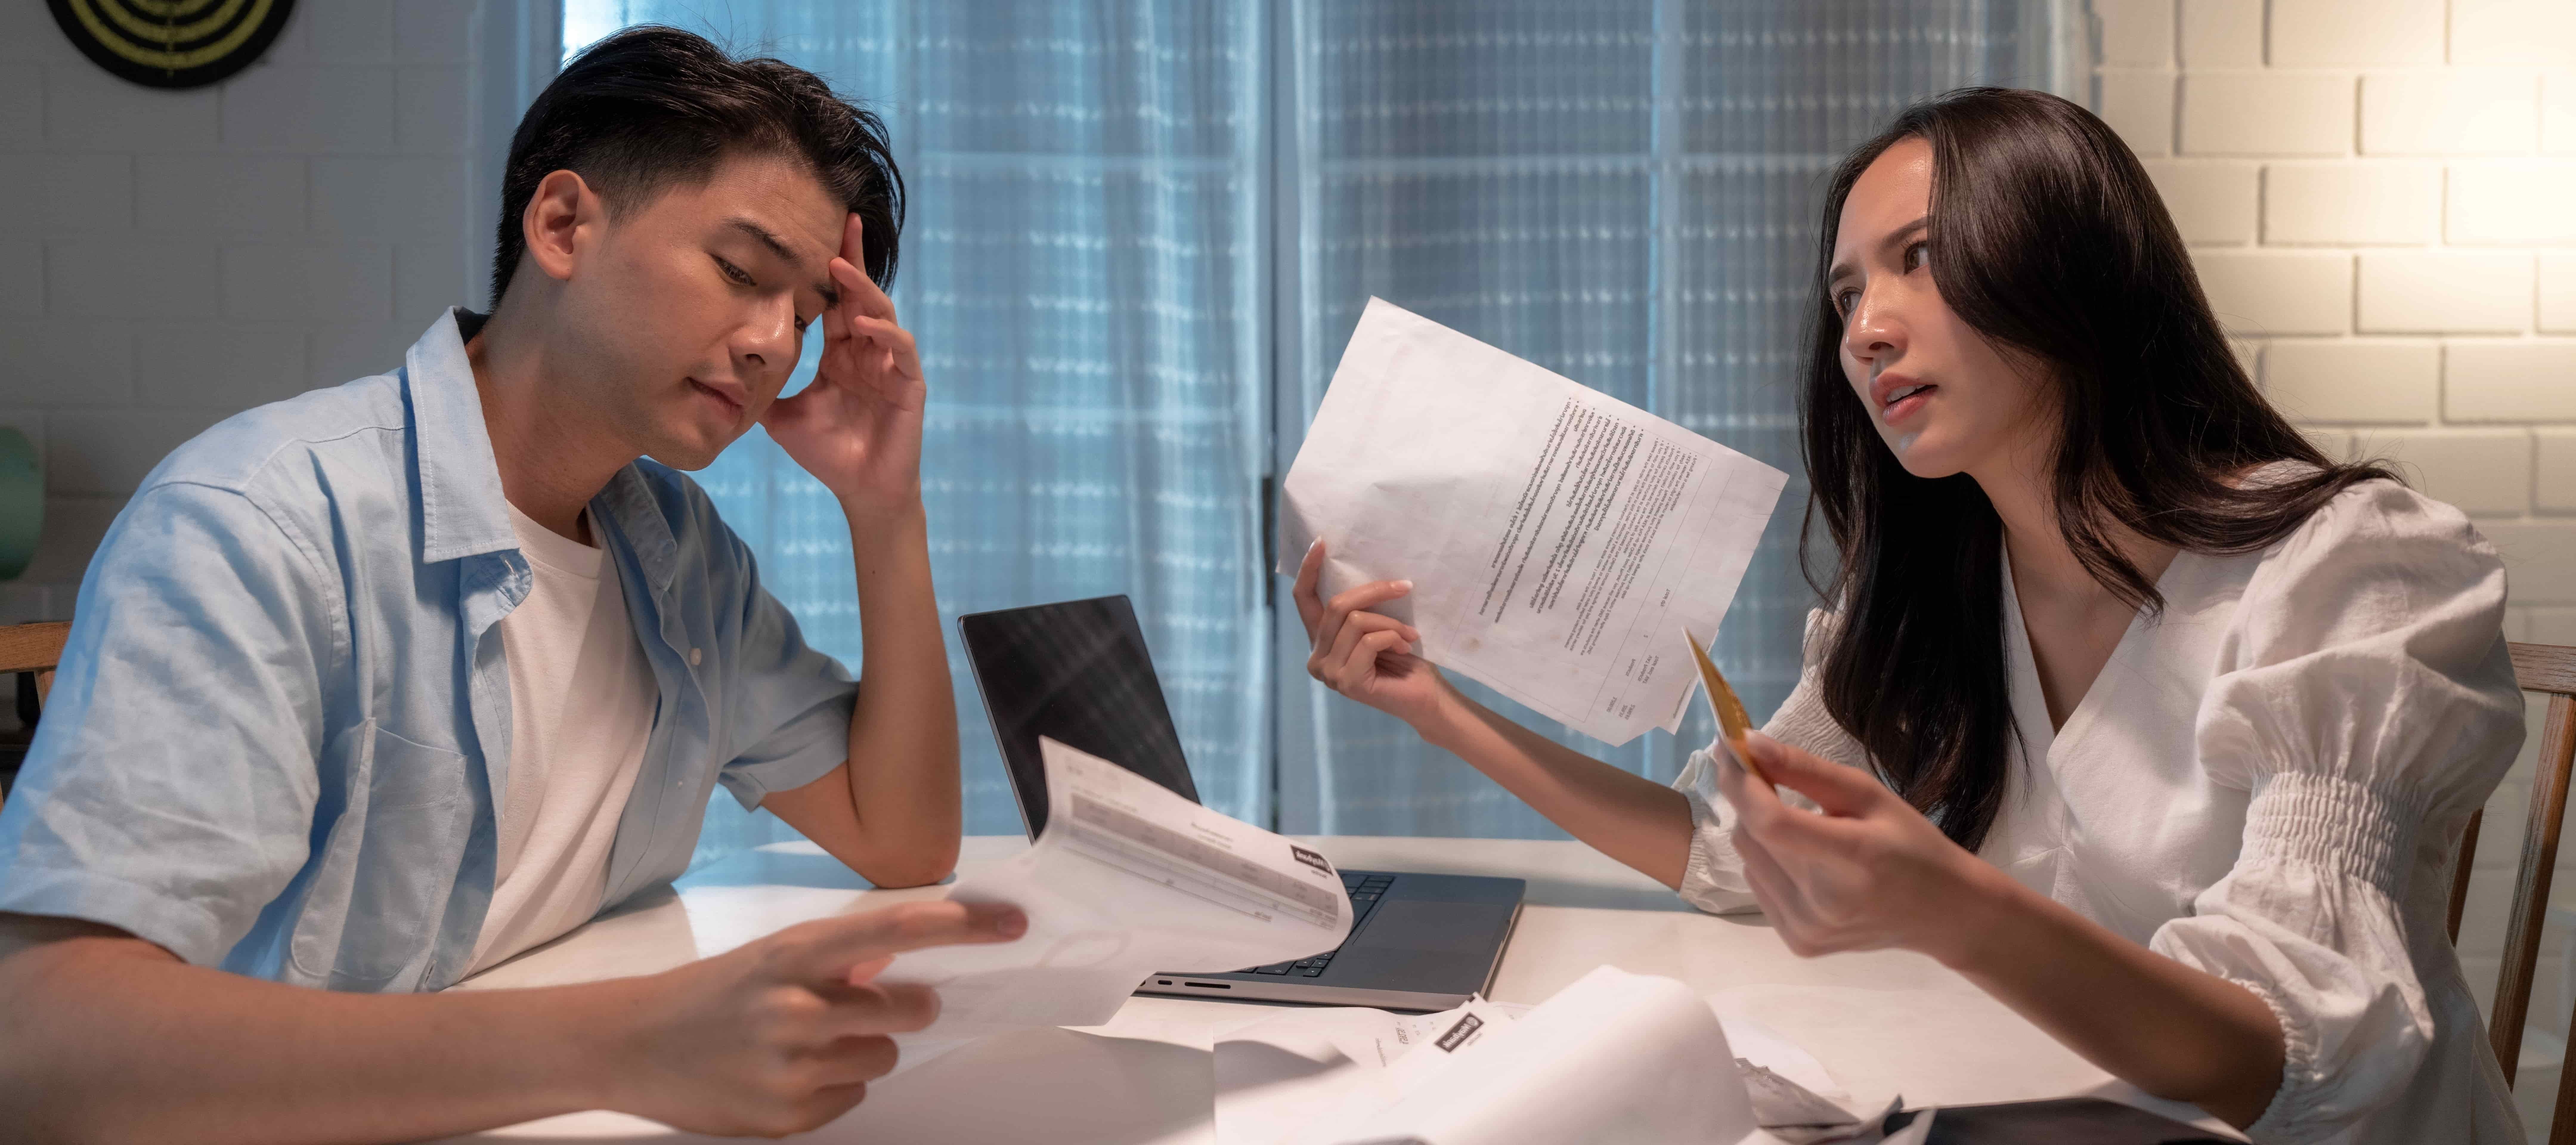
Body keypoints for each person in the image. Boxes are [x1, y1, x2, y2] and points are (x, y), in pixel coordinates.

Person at [1294, 87, 2523, 1143]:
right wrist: (1439, 710)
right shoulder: (1934, 604)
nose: (1866, 328)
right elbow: (1731, 853)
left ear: (2068, 266)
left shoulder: (2354, 568)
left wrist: (1946, 903)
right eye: (1845, 295)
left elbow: (2287, 1057)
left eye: (1920, 259)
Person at [0, 27, 1027, 1143]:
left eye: (808, 316)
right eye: (741, 273)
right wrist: (630, 1044)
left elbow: (902, 838)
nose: (774, 343)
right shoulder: (260, 524)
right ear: (563, 225)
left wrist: (885, 508)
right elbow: (46, 1042)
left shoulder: (678, 552)